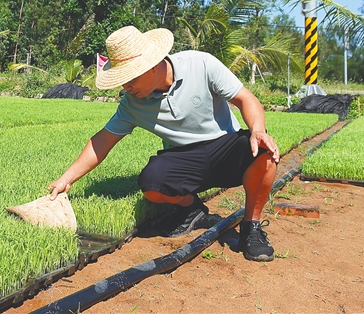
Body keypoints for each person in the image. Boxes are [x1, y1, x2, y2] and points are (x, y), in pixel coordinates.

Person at [48, 26, 280, 262]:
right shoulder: (132, 102)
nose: (126, 87)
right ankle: (191, 209)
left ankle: (251, 226)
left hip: (225, 147)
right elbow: (103, 141)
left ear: (153, 64)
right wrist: (66, 179)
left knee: (265, 150)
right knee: (152, 182)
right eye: (122, 81)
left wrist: (258, 131)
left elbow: (245, 99)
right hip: (184, 157)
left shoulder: (201, 64)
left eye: (131, 78)